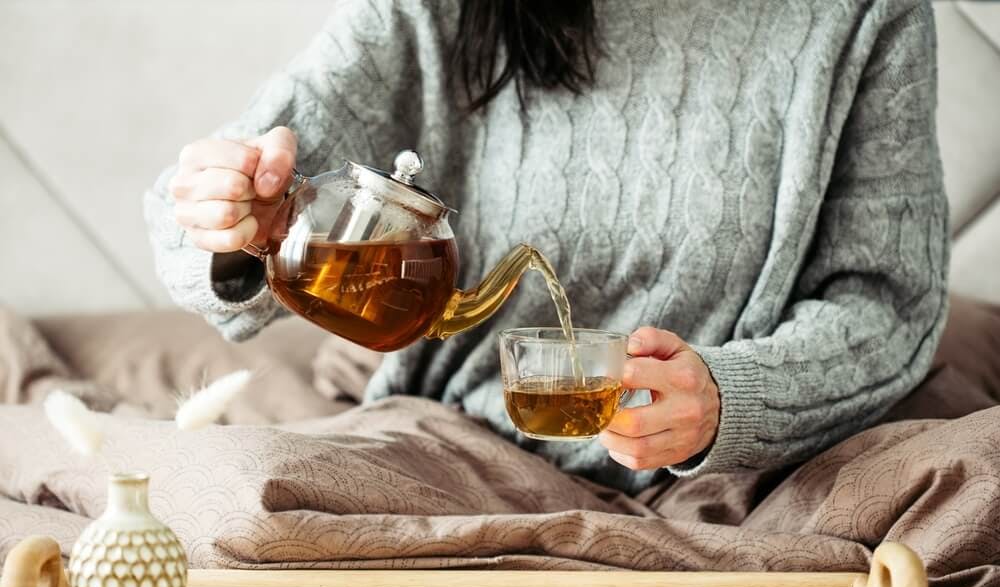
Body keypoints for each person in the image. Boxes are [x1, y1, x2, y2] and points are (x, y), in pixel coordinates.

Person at [146, 0, 947, 495]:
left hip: (733, 484)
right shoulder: (428, 11)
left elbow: (886, 303)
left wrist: (728, 400)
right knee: (228, 488)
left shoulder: (862, 16)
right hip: (452, 454)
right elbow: (200, 209)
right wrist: (232, 215)